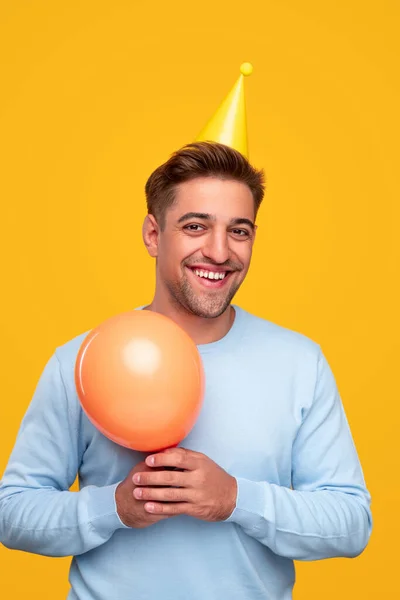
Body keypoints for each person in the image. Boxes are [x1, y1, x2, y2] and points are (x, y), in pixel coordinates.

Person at [0, 141, 372, 600]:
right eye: (196, 226)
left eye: (239, 231)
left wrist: (236, 499)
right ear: (154, 235)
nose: (219, 252)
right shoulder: (80, 361)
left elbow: (351, 524)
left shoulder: (300, 362)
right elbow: (13, 514)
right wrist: (113, 507)